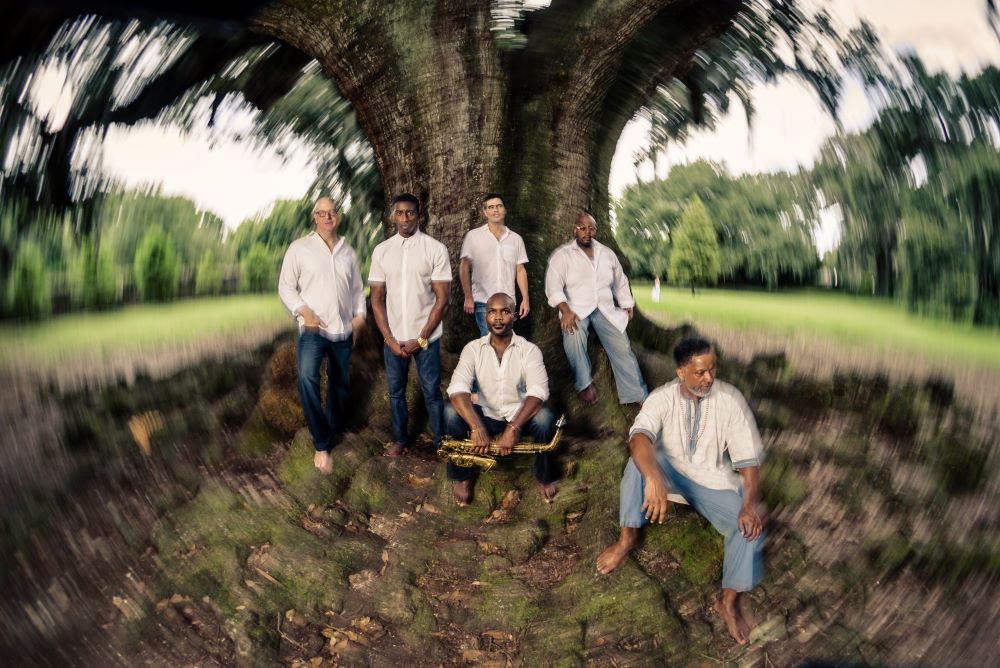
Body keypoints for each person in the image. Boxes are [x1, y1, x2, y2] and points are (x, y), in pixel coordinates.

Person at [596, 337, 765, 646]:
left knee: (750, 527)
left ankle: (727, 602)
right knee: (638, 465)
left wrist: (749, 503)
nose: (709, 378)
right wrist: (654, 478)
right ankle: (626, 540)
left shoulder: (730, 399)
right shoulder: (662, 398)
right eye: (700, 373)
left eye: (712, 370)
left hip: (712, 481)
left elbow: (748, 462)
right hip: (668, 472)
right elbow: (638, 439)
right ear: (681, 372)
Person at [278, 196, 366, 475]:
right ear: (314, 217)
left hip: (342, 329)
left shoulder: (347, 252)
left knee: (340, 386)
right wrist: (304, 312)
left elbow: (356, 290)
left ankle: (334, 429)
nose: (328, 217)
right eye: (322, 213)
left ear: (337, 217)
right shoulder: (299, 249)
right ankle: (322, 442)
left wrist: (360, 317)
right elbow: (285, 286)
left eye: (332, 212)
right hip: (314, 329)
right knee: (306, 378)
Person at [444, 293, 558, 506]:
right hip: (485, 415)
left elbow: (538, 392)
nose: (498, 318)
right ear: (485, 316)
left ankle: (543, 476)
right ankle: (463, 477)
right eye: (492, 312)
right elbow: (457, 388)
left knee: (544, 419)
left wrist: (513, 428)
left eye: (504, 312)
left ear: (514, 316)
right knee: (450, 413)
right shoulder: (473, 349)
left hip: (519, 415)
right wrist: (476, 427)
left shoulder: (529, 350)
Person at [369, 193, 452, 457]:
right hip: (393, 338)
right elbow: (376, 299)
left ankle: (441, 442)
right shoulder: (382, 251)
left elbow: (443, 299)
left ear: (419, 215)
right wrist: (389, 339)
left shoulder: (435, 249)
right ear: (393, 215)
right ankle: (401, 441)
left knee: (431, 392)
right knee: (396, 393)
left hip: (426, 337)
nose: (405, 218)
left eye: (410, 213)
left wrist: (422, 338)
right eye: (400, 213)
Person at [544, 212, 648, 406]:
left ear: (595, 231)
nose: (587, 232)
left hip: (605, 309)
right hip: (576, 309)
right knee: (572, 335)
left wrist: (626, 303)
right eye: (582, 228)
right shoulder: (562, 255)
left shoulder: (607, 253)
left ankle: (636, 395)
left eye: (591, 228)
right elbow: (553, 286)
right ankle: (584, 384)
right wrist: (565, 310)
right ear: (574, 230)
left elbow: (620, 280)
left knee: (622, 348)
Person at [459, 193, 530, 336]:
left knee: (504, 340)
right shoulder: (474, 236)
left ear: (504, 209)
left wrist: (525, 299)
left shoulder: (516, 239)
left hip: (508, 303)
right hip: (483, 301)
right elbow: (464, 266)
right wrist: (468, 296)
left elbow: (520, 270)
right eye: (491, 207)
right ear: (485, 212)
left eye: (499, 206)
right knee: (490, 340)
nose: (495, 210)